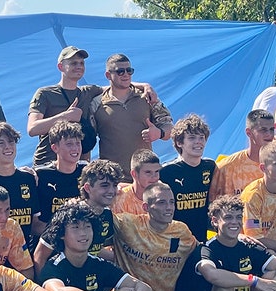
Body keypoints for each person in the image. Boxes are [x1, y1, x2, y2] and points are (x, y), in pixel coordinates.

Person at [27, 46, 156, 165]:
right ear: (60, 67)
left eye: (82, 63)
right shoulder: (45, 93)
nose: (79, 66)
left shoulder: (88, 92)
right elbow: (32, 129)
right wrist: (66, 116)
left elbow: (116, 85)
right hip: (48, 163)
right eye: (73, 63)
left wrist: (145, 85)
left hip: (77, 165)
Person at [113, 182, 202, 291]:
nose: (169, 207)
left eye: (172, 202)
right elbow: (100, 215)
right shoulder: (128, 224)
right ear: (146, 207)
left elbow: (202, 249)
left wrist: (236, 238)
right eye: (161, 202)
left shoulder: (181, 231)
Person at [89, 53, 173, 180]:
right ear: (108, 75)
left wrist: (159, 133)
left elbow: (170, 129)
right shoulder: (96, 103)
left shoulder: (147, 97)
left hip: (145, 178)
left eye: (129, 70)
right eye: (120, 71)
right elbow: (87, 141)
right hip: (113, 180)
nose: (126, 75)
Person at [34, 159, 122, 276]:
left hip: (88, 279)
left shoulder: (107, 214)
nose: (111, 191)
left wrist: (125, 257)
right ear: (87, 188)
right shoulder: (69, 214)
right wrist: (44, 286)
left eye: (114, 185)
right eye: (104, 185)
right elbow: (40, 255)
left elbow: (94, 249)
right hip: (61, 280)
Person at [159, 114, 217, 241]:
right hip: (173, 240)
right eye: (192, 138)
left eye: (202, 138)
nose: (198, 141)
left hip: (201, 239)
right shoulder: (167, 171)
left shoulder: (210, 166)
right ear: (179, 143)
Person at [34, 120, 88, 231]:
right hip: (49, 240)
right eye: (69, 144)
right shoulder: (41, 175)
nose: (75, 148)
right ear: (55, 148)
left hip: (81, 238)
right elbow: (34, 225)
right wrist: (63, 235)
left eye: (78, 143)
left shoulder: (86, 171)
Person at [112, 149, 161, 216]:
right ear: (134, 174)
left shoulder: (163, 195)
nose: (154, 177)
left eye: (156, 171)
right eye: (148, 172)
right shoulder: (120, 200)